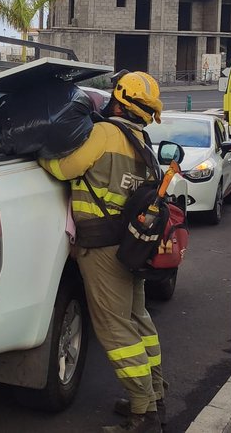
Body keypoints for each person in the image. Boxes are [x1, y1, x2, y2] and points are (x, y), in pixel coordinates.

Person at [39, 71, 167, 433]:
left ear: (119, 101)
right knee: (138, 321)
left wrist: (40, 159)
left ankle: (142, 415)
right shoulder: (142, 143)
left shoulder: (106, 133)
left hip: (102, 248)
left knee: (114, 328)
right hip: (130, 247)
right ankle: (155, 396)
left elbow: (67, 168)